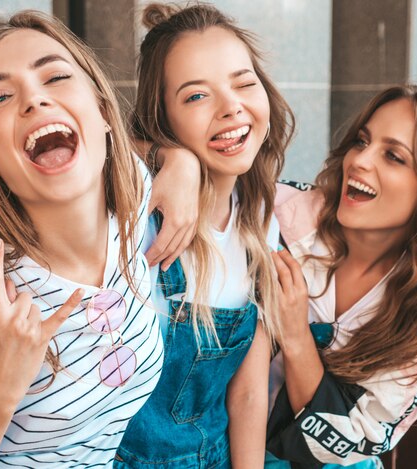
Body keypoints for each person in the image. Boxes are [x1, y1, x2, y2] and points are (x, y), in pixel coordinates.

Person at [0, 10, 199, 468]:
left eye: (55, 76)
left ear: (103, 112)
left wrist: (181, 161)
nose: (34, 99)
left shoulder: (132, 202)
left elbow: (134, 150)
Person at [267, 85, 417, 468]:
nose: (359, 160)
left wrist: (295, 335)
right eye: (361, 141)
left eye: (393, 156)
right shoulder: (275, 215)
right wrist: (180, 167)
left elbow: (350, 438)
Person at [114, 4, 294, 468]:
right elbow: (83, 141)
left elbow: (250, 393)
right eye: (196, 96)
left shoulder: (258, 219)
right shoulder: (134, 208)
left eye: (243, 82)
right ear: (162, 118)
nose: (231, 106)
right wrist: (169, 158)